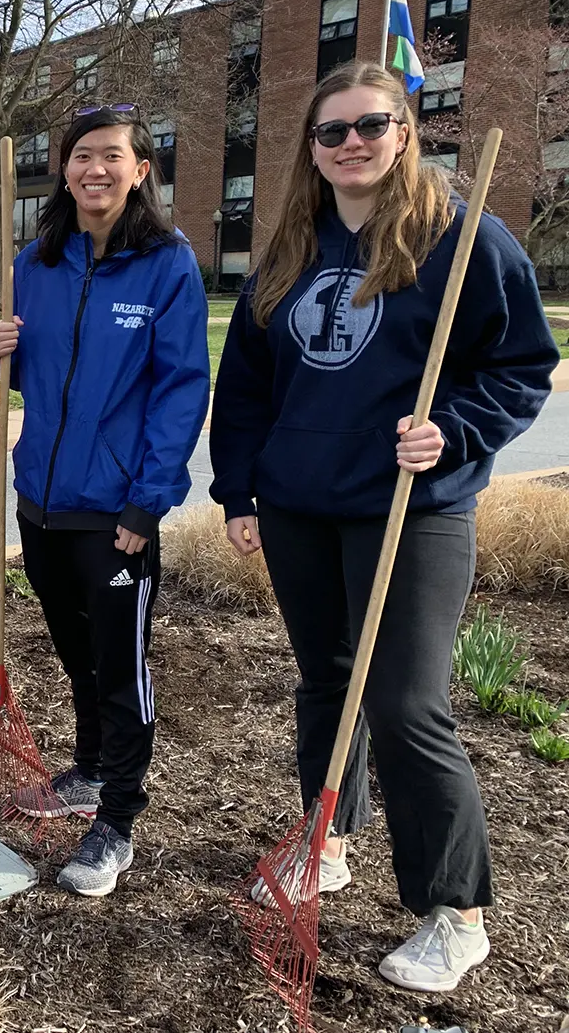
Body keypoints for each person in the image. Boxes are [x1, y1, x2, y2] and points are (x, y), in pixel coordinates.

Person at [210, 61, 558, 992]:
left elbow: (523, 366)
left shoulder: (464, 240)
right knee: (325, 681)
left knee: (406, 703)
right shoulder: (288, 248)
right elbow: (244, 384)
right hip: (298, 505)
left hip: (413, 509)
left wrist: (456, 431)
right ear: (313, 151)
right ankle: (328, 838)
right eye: (333, 132)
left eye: (372, 125)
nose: (352, 143)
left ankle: (457, 911)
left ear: (404, 133)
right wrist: (238, 490)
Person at [0, 106, 210, 896]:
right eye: (83, 156)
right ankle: (86, 770)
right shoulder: (35, 260)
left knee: (121, 667)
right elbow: (20, 357)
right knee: (76, 654)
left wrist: (149, 502)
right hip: (41, 499)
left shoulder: (167, 264)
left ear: (141, 169)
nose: (96, 169)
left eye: (113, 156)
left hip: (116, 512)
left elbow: (181, 390)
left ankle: (118, 817)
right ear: (65, 170)